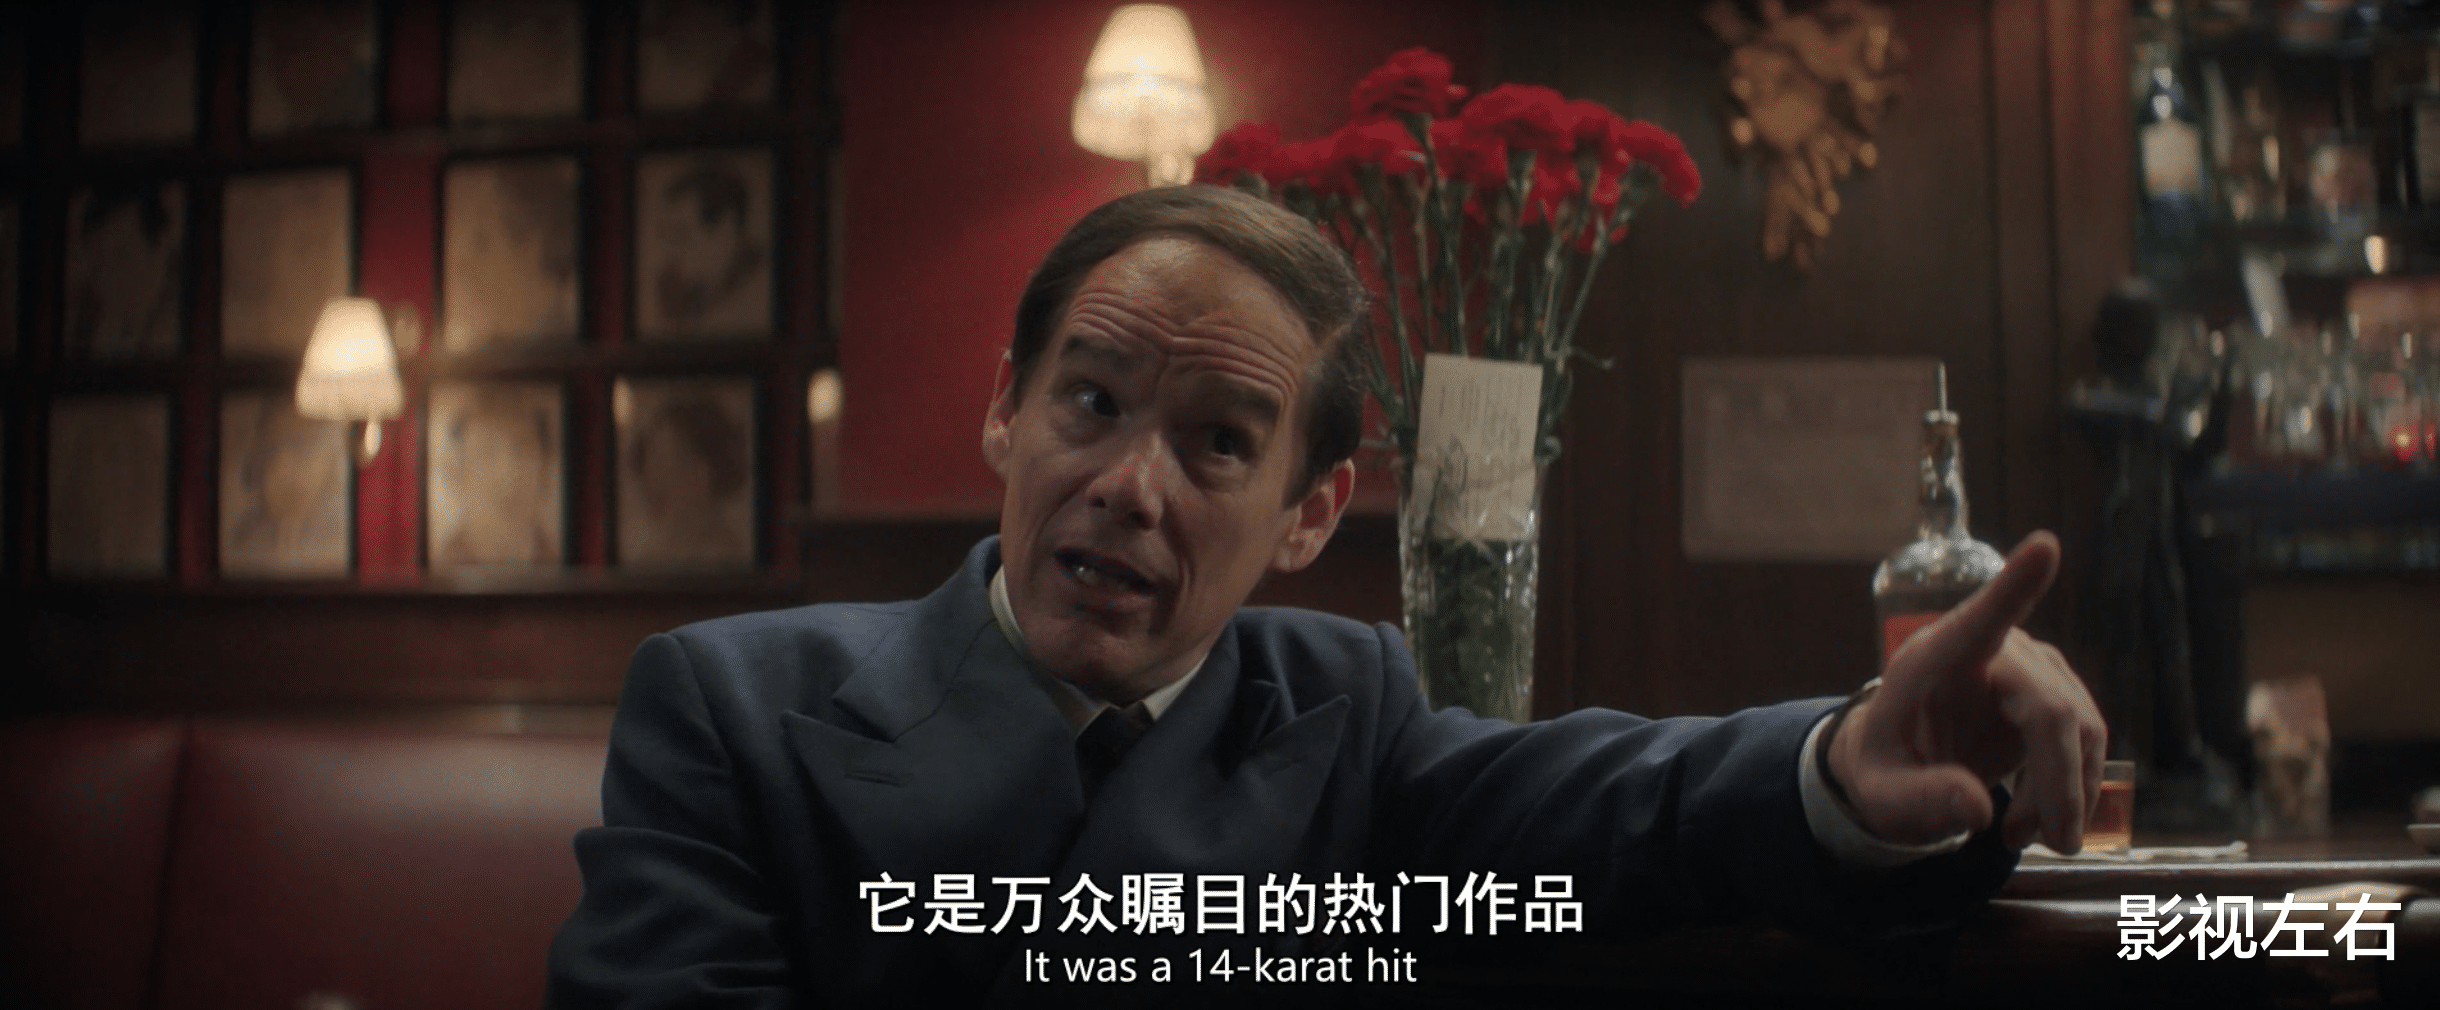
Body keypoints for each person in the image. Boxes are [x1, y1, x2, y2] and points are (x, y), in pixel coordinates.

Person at [545, 186, 2105, 1007]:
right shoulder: (732, 707)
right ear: (1006, 409)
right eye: (1091, 401)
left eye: (1217, 442)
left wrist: (1844, 759)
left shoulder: (1340, 707)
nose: (1130, 484)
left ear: (1308, 513)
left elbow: (1624, 797)